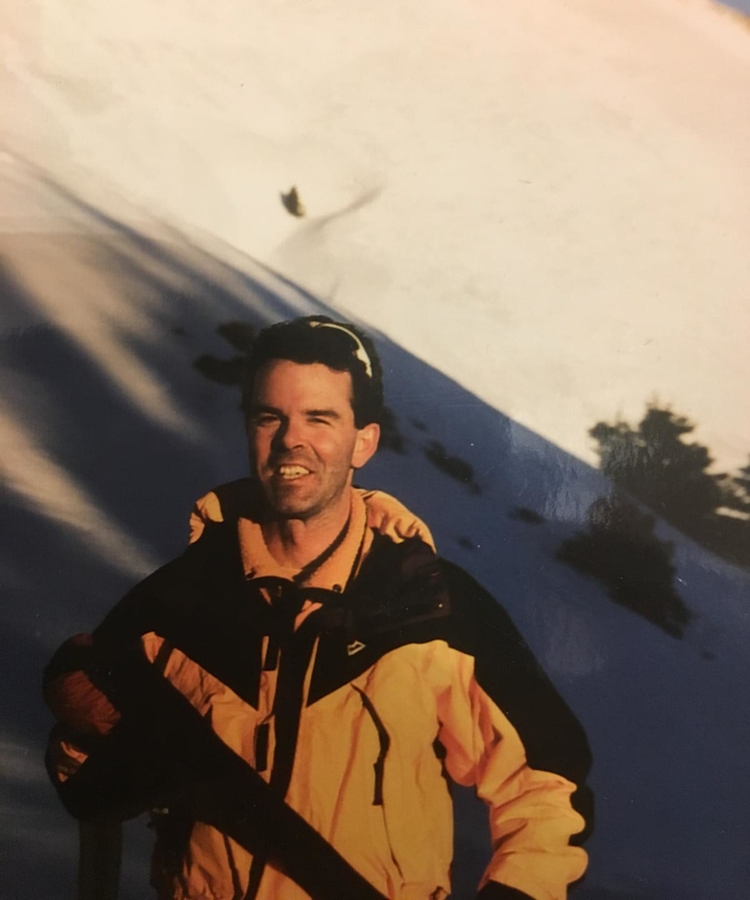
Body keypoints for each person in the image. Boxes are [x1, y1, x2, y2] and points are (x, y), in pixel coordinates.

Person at [43, 315, 593, 900]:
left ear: (365, 441)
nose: (290, 440)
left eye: (319, 418)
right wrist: (83, 735)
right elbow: (89, 793)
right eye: (269, 417)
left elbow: (548, 786)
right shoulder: (175, 604)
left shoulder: (432, 611)